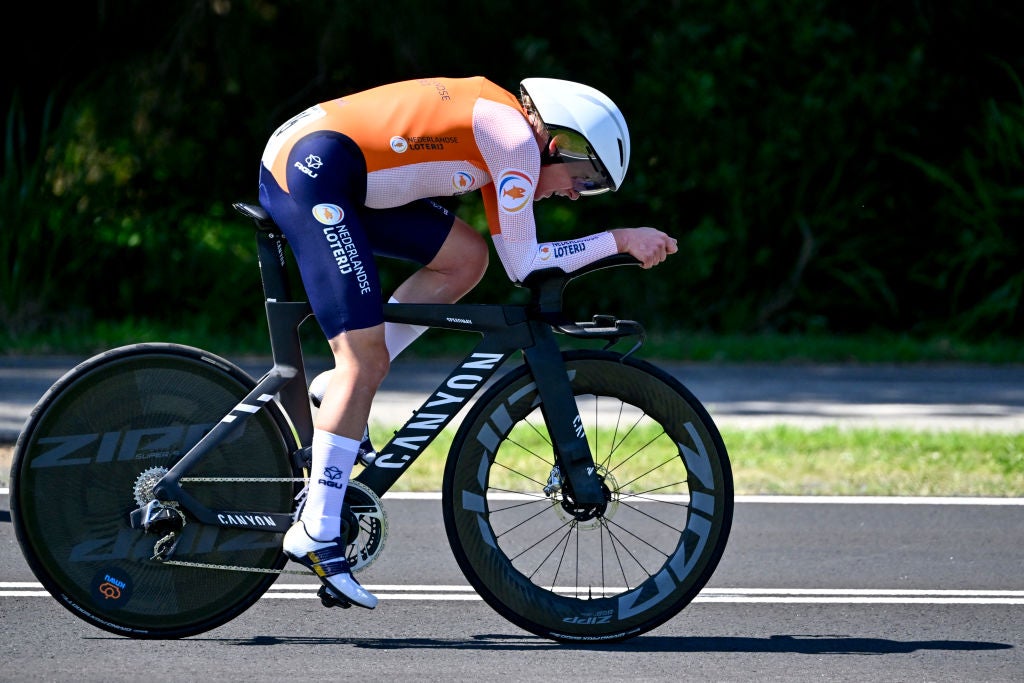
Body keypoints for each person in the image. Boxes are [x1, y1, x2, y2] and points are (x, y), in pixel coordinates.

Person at [257, 76, 678, 610]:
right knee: (364, 362)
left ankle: (334, 392)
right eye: (587, 178)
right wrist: (620, 239)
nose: (576, 193)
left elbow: (507, 258)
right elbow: (526, 265)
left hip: (334, 167)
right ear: (560, 142)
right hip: (311, 170)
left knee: (465, 258)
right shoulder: (515, 141)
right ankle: (317, 530)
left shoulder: (505, 137)